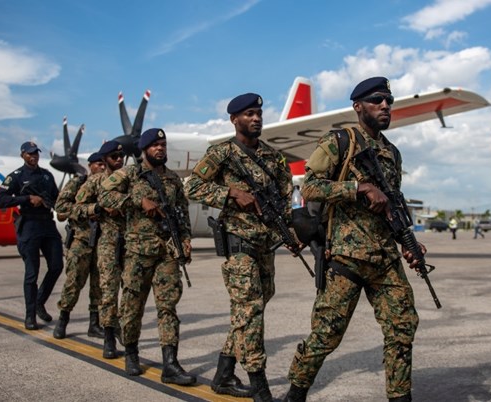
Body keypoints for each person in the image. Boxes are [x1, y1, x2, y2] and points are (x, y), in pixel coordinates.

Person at [282, 77, 421, 402]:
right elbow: (310, 187)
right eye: (377, 100)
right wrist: (355, 188)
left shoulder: (392, 153)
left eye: (389, 100)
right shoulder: (340, 142)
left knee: (402, 329)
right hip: (346, 258)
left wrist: (409, 242)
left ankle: (400, 397)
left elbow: (392, 203)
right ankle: (295, 394)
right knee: (326, 335)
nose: (385, 105)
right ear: (358, 106)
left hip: (385, 259)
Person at [186, 93, 294, 401]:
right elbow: (192, 186)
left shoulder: (274, 157)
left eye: (259, 113)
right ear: (235, 119)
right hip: (239, 244)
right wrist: (231, 193)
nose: (256, 118)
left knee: (252, 308)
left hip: (265, 244)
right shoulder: (221, 153)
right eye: (249, 114)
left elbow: (284, 196)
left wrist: (290, 234)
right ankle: (260, 388)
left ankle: (223, 374)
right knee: (251, 311)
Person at [99, 128, 195, 386]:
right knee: (132, 306)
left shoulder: (173, 179)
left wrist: (185, 240)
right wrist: (137, 201)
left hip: (167, 253)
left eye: (163, 144)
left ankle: (170, 364)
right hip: (138, 253)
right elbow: (105, 195)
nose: (160, 148)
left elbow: (182, 213)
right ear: (144, 149)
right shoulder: (130, 174)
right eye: (154, 145)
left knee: (168, 307)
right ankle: (131, 352)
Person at [0, 141, 64, 330]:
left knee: (57, 266)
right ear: (23, 155)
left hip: (47, 224)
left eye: (36, 153)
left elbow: (57, 199)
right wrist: (27, 198)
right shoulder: (16, 177)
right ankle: (30, 315)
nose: (34, 156)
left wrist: (62, 206)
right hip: (30, 225)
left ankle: (40, 301)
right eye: (30, 153)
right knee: (32, 273)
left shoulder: (47, 176)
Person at [51, 153, 105, 340]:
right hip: (81, 242)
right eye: (99, 164)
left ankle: (94, 324)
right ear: (90, 166)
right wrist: (89, 210)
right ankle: (63, 320)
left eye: (104, 164)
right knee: (73, 283)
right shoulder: (78, 183)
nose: (103, 167)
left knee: (99, 286)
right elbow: (61, 209)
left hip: (102, 243)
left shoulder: (111, 185)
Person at [90, 140, 126, 359]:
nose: (119, 160)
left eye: (121, 156)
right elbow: (67, 207)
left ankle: (125, 331)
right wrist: (96, 208)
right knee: (109, 292)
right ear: (104, 161)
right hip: (109, 243)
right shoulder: (95, 182)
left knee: (132, 292)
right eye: (114, 157)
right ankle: (109, 338)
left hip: (131, 242)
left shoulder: (131, 179)